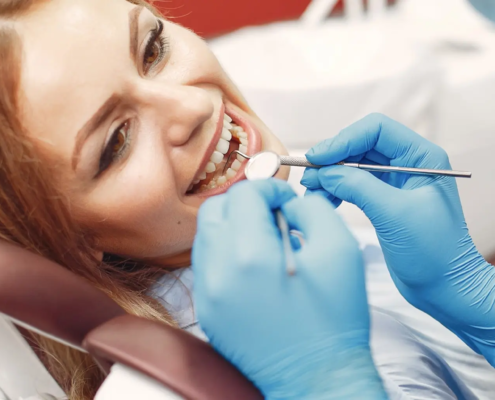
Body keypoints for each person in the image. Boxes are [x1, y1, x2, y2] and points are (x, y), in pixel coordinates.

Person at [0, 0, 492, 399]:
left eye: (152, 49)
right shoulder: (165, 387)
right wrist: (322, 383)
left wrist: (471, 295)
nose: (193, 105)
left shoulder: (299, 232)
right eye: (116, 143)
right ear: (71, 241)